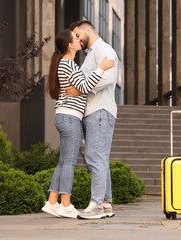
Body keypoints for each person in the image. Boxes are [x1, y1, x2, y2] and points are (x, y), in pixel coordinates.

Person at [41, 29, 114, 219]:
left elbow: (80, 87)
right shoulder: (68, 65)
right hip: (70, 117)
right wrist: (102, 68)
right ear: (70, 45)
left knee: (64, 161)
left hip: (65, 116)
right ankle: (65, 205)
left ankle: (51, 201)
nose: (79, 40)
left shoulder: (67, 64)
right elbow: (85, 87)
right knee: (69, 163)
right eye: (75, 38)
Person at [65, 20, 118, 219]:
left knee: (95, 157)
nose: (77, 40)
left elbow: (108, 78)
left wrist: (80, 88)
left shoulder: (103, 49)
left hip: (100, 110)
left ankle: (95, 204)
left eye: (78, 35)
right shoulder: (91, 55)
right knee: (100, 157)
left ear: (88, 31)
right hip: (94, 111)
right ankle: (105, 203)